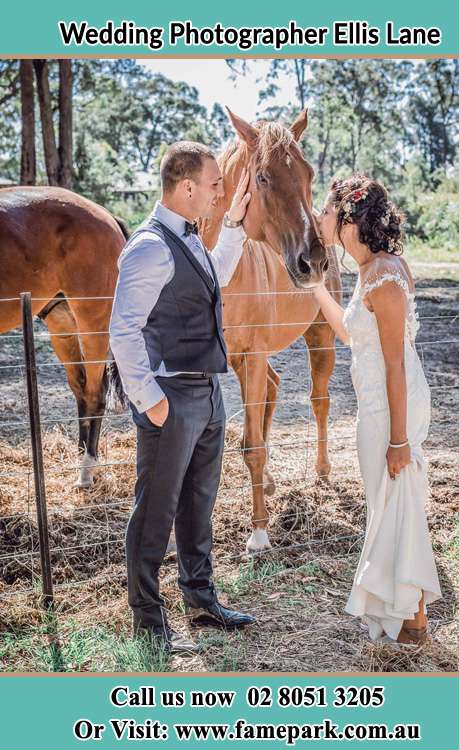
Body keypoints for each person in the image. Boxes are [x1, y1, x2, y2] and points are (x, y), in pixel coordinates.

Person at [110, 141, 256, 655]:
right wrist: (150, 400)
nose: (220, 192)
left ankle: (200, 598)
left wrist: (234, 225)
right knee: (155, 511)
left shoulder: (191, 238)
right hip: (170, 395)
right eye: (216, 184)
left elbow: (213, 275)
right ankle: (148, 623)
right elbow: (123, 330)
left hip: (207, 391)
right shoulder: (149, 246)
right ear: (188, 187)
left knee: (199, 504)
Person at [313, 175, 442, 645]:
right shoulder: (370, 268)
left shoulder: (386, 276)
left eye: (325, 211)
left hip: (393, 407)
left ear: (347, 219)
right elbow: (352, 335)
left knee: (396, 502)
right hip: (377, 404)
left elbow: (395, 363)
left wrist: (399, 440)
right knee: (389, 505)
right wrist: (314, 288)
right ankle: (406, 614)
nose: (319, 218)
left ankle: (414, 621)